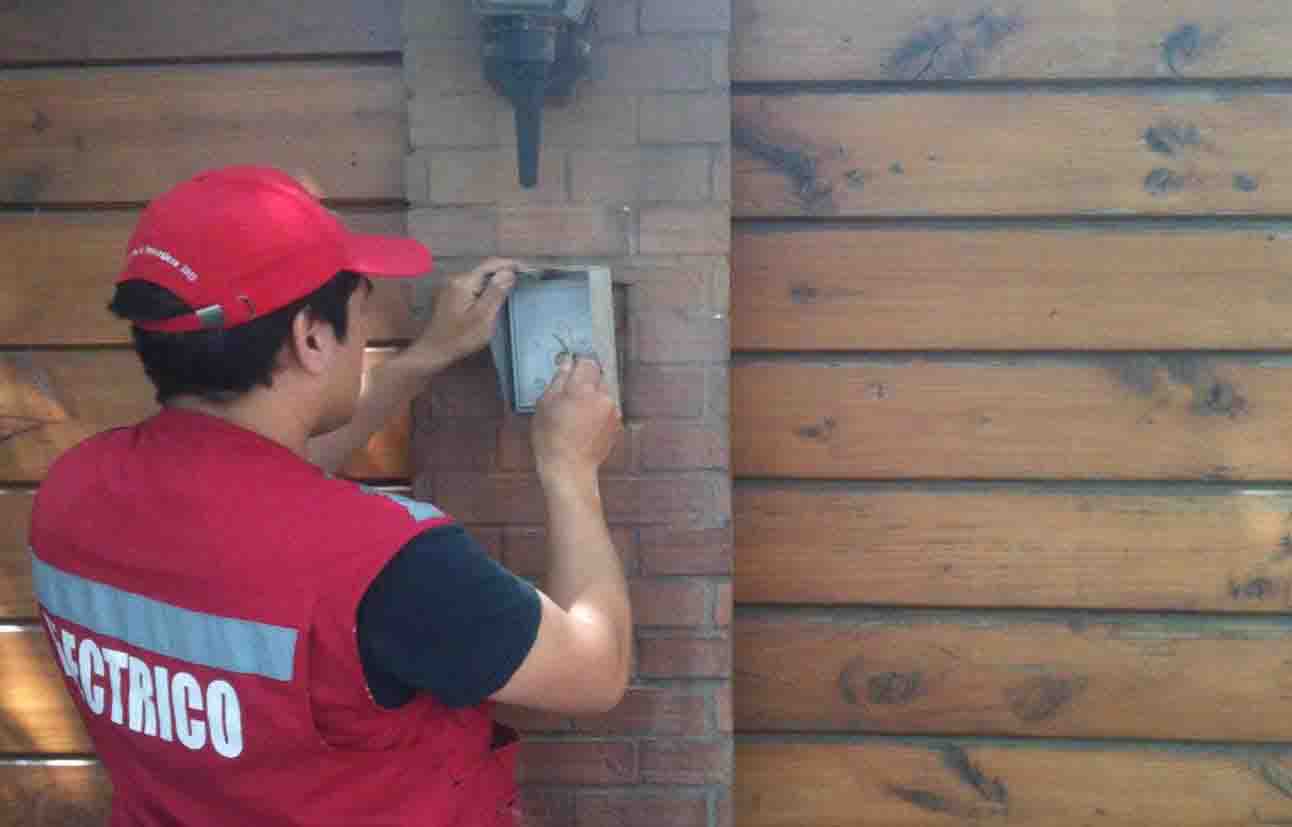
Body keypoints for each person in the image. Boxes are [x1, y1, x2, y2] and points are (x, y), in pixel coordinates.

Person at [27, 165, 631, 826]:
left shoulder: (72, 492)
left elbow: (250, 494)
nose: (365, 326)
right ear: (312, 336)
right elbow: (594, 669)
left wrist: (422, 359)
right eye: (363, 306)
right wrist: (568, 467)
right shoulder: (389, 564)